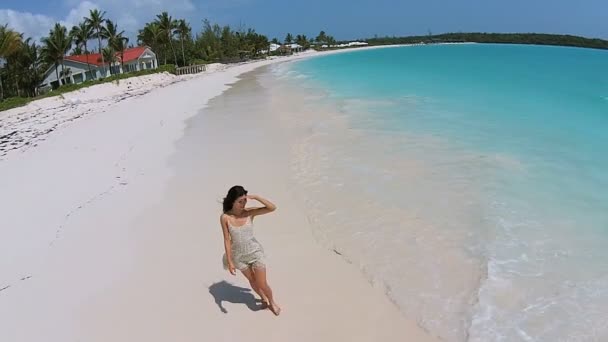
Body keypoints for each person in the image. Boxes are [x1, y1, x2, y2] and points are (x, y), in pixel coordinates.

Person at [220, 185, 281, 315]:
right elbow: (226, 240)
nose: (243, 204)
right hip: (239, 256)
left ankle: (272, 302)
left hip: (254, 252)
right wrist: (230, 262)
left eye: (245, 201)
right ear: (232, 201)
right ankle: (263, 298)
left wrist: (257, 197)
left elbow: (272, 208)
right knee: (252, 281)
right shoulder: (225, 217)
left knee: (262, 283)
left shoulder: (249, 212)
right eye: (240, 201)